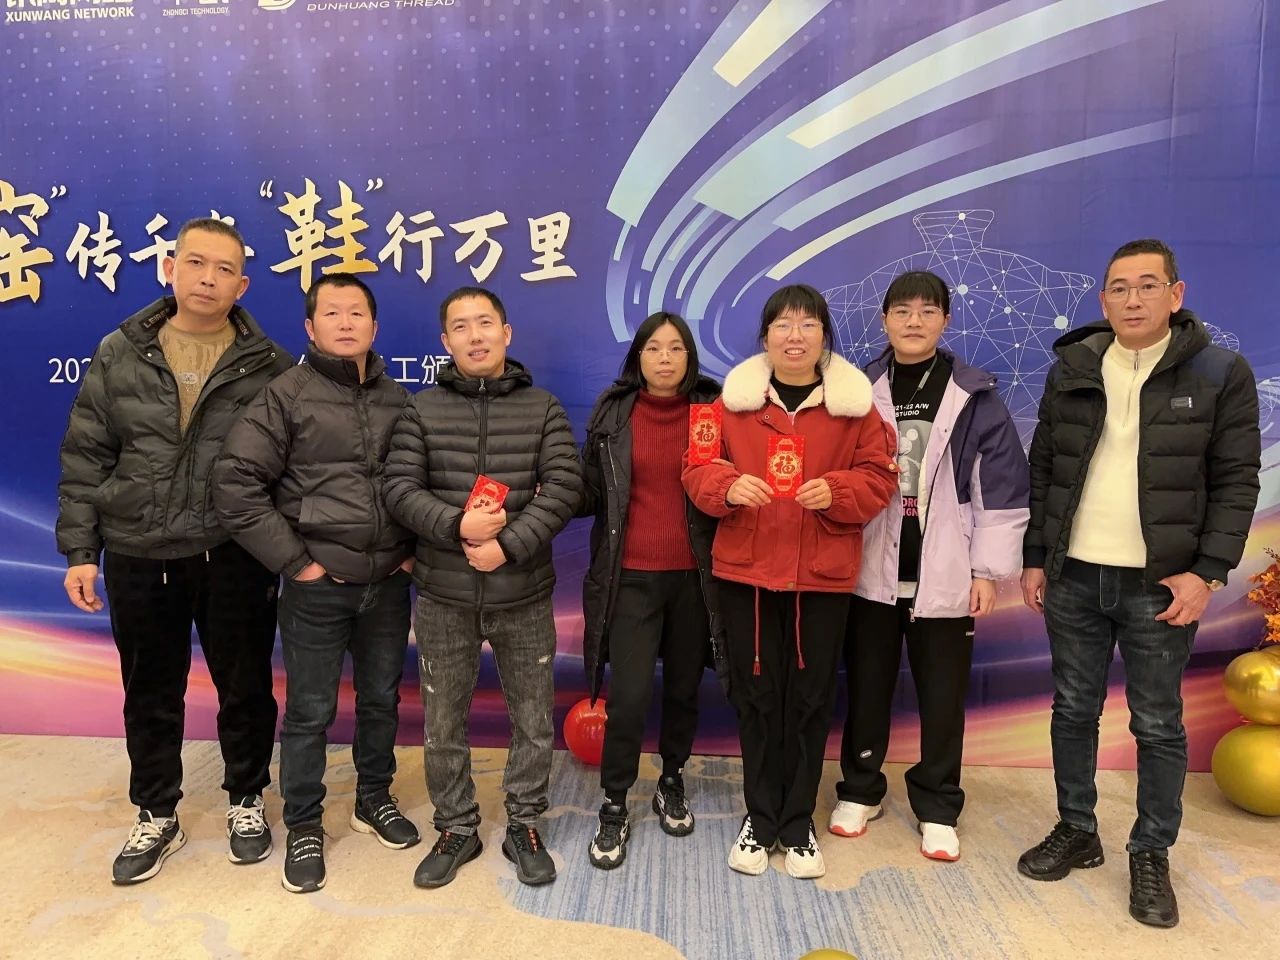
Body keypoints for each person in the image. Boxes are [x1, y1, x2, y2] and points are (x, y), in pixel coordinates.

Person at [1017, 239, 1261, 928]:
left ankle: (1151, 851)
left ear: (1175, 295)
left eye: (1148, 285)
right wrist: (1036, 556)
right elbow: (1045, 468)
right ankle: (1077, 828)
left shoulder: (1219, 372)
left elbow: (1237, 481)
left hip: (1161, 584)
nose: (1133, 299)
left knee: (1156, 723)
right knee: (1073, 709)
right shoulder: (1074, 366)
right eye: (1119, 288)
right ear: (1103, 299)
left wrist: (1208, 572)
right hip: (1074, 575)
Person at [56, 217, 293, 884]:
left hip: (232, 552)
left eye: (224, 269)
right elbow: (86, 456)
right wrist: (81, 550)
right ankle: (157, 812)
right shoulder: (120, 351)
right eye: (196, 263)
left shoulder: (269, 366)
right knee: (149, 692)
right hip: (137, 550)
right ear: (170, 268)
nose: (207, 278)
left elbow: (288, 471)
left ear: (242, 286)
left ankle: (247, 799)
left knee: (245, 687)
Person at [682, 284, 897, 880]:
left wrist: (839, 491)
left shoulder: (857, 409)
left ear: (824, 335)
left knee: (809, 700)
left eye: (807, 324)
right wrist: (727, 485)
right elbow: (695, 468)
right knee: (755, 698)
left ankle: (798, 821)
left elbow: (880, 478)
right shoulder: (727, 406)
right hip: (747, 574)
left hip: (820, 578)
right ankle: (760, 816)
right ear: (765, 336)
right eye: (782, 324)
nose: (794, 335)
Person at [213, 273, 419, 894]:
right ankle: (305, 822)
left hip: (387, 584)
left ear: (374, 326)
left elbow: (421, 481)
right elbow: (235, 482)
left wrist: (410, 553)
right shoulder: (285, 395)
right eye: (332, 313)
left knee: (381, 700)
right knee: (309, 711)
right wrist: (297, 563)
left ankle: (373, 798)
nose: (346, 322)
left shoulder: (397, 398)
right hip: (317, 586)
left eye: (357, 312)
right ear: (310, 327)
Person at [383, 286, 583, 889]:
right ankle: (456, 827)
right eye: (462, 327)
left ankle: (524, 823)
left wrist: (508, 544)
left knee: (533, 720)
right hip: (444, 596)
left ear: (506, 332)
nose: (476, 336)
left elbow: (565, 486)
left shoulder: (543, 407)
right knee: (443, 722)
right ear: (445, 341)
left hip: (523, 593)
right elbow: (399, 488)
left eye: (485, 323)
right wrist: (457, 526)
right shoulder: (421, 410)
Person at [829, 270, 1029, 861]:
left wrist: (986, 571)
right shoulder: (856, 389)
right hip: (869, 567)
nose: (913, 321)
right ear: (884, 319)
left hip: (945, 566)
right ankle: (859, 789)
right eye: (902, 311)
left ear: (945, 319)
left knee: (943, 696)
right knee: (867, 687)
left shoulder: (974, 395)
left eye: (927, 311)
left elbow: (1000, 488)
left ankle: (938, 804)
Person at [579, 311, 724, 870]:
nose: (665, 358)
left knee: (684, 691)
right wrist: (546, 489)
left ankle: (671, 780)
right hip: (631, 576)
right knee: (631, 696)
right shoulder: (614, 411)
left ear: (690, 356)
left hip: (695, 577)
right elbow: (592, 490)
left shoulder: (713, 409)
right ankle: (615, 802)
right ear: (637, 356)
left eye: (676, 348)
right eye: (654, 348)